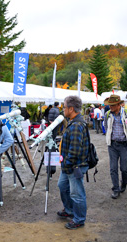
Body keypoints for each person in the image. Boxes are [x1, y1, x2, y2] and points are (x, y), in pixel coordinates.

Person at [57, 95, 89, 230]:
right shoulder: (73, 122)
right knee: (62, 186)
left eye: (64, 107)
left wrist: (67, 164)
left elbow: (74, 151)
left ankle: (79, 219)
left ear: (71, 109)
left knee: (77, 194)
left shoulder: (76, 125)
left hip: (74, 166)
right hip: (69, 165)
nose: (62, 110)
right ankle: (69, 210)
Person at [104, 95, 127, 199]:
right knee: (113, 168)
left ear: (119, 105)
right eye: (110, 105)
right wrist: (109, 137)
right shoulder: (108, 114)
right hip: (112, 145)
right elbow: (105, 126)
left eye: (113, 105)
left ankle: (124, 182)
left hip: (124, 145)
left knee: (124, 168)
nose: (111, 107)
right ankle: (116, 189)